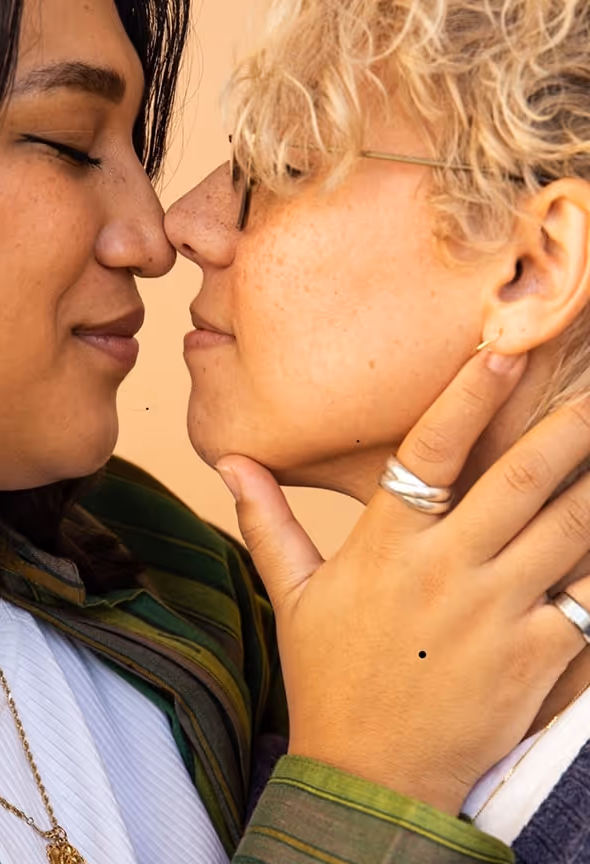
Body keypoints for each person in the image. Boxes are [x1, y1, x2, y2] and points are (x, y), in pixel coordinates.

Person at [0, 1, 589, 863]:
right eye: (69, 142)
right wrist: (359, 791)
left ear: (531, 267)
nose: (162, 232)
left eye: (285, 162)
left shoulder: (182, 581)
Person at [165, 0, 590, 861]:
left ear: (529, 270)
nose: (190, 221)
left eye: (282, 164)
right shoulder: (254, 726)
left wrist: (348, 802)